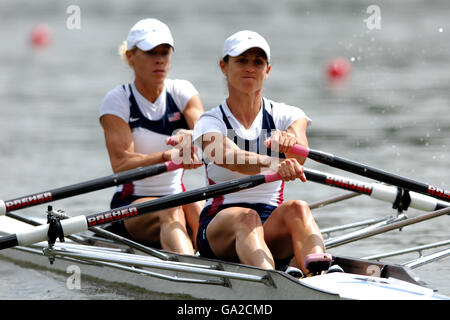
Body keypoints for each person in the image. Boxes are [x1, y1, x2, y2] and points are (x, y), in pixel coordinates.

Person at [193, 30, 333, 275]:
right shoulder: (209, 122)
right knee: (247, 218)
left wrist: (290, 145)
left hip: (271, 224)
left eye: (258, 62)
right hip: (219, 225)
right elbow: (229, 157)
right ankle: (274, 284)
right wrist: (274, 163)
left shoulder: (287, 114)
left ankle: (322, 276)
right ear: (223, 67)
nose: (250, 68)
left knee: (299, 208)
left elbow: (300, 154)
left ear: (267, 70)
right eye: (241, 61)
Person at [99, 18, 204, 255]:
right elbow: (121, 163)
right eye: (151, 53)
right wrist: (167, 155)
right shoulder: (118, 101)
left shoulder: (182, 91)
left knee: (198, 206)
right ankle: (189, 271)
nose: (159, 59)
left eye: (165, 52)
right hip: (131, 205)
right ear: (130, 56)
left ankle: (228, 268)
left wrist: (195, 137)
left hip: (177, 198)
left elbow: (208, 134)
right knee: (172, 209)